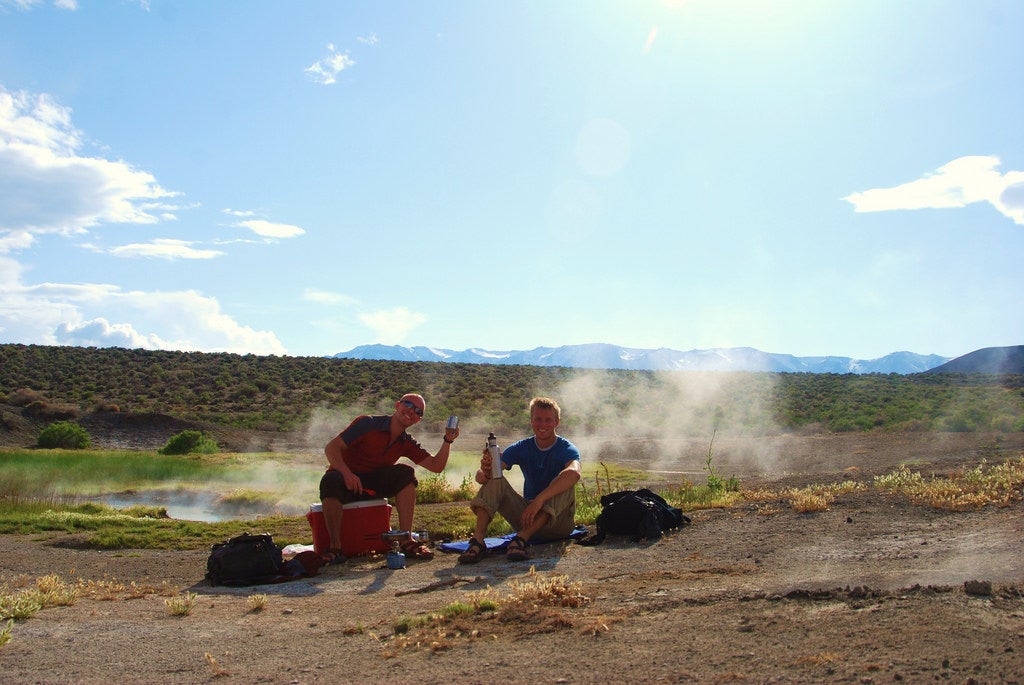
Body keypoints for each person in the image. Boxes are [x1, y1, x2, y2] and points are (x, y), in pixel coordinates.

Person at [319, 393, 459, 562]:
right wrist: (346, 474)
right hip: (346, 482)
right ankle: (335, 547)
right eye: (408, 404)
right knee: (330, 480)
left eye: (418, 412)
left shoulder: (406, 442)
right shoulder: (368, 424)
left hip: (372, 484)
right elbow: (331, 448)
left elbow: (436, 466)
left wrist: (448, 440)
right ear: (397, 405)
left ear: (418, 420)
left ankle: (406, 540)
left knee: (405, 473)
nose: (411, 412)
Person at [458, 396, 581, 564]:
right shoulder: (521, 447)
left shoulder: (566, 448)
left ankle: (521, 539)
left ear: (556, 422)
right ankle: (478, 541)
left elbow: (574, 473)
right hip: (527, 517)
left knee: (564, 482)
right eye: (538, 419)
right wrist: (487, 469)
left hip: (558, 524)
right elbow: (481, 478)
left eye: (548, 420)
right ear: (531, 421)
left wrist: (540, 500)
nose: (543, 424)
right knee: (496, 479)